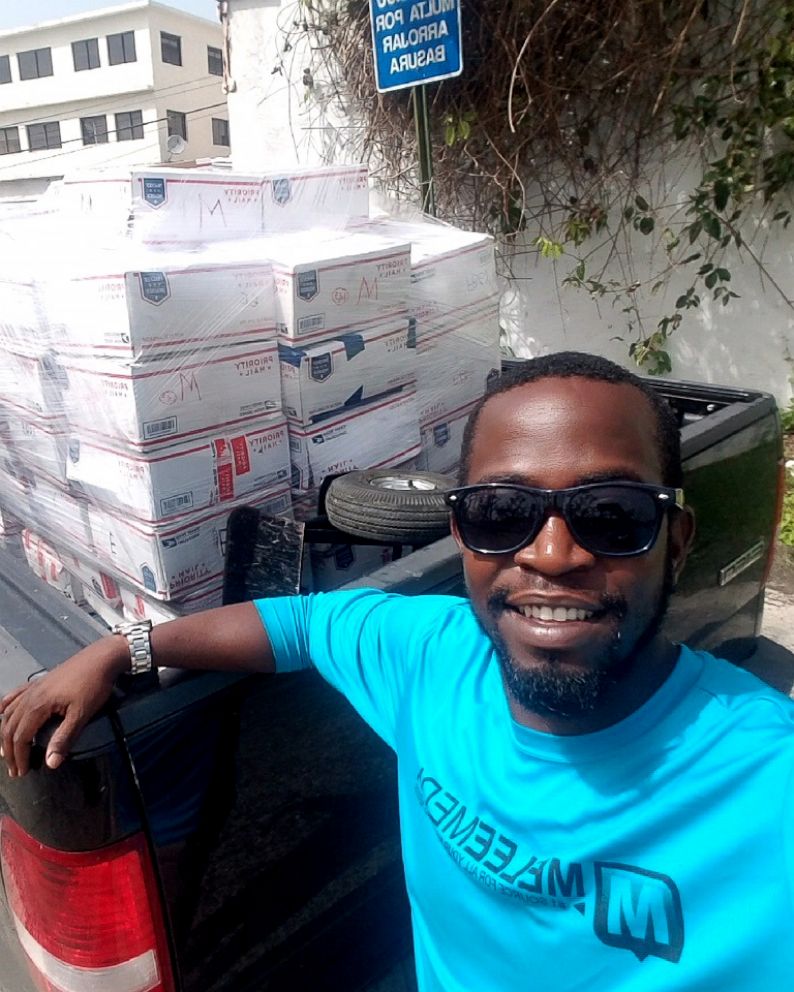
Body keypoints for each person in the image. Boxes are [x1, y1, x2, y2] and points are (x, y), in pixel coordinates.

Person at [2, 350, 793, 991]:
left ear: (678, 541)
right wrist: (122, 649)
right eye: (500, 514)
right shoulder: (430, 653)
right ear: (461, 534)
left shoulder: (763, 782)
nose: (552, 555)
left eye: (612, 515)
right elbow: (297, 623)